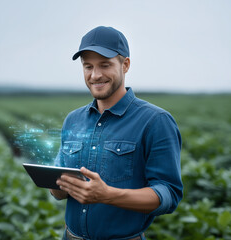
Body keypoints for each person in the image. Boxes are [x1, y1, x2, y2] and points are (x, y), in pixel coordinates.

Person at [50, 26, 183, 240]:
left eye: (105, 65)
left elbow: (169, 194)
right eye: (88, 66)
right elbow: (58, 191)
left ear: (125, 65)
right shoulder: (73, 120)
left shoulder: (156, 121)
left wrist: (108, 195)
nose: (95, 75)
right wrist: (57, 185)